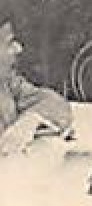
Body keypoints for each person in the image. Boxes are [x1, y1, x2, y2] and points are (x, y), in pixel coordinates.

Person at [0, 14, 72, 156]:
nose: (18, 48)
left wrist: (31, 120)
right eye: (9, 43)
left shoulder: (7, 83)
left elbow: (54, 102)